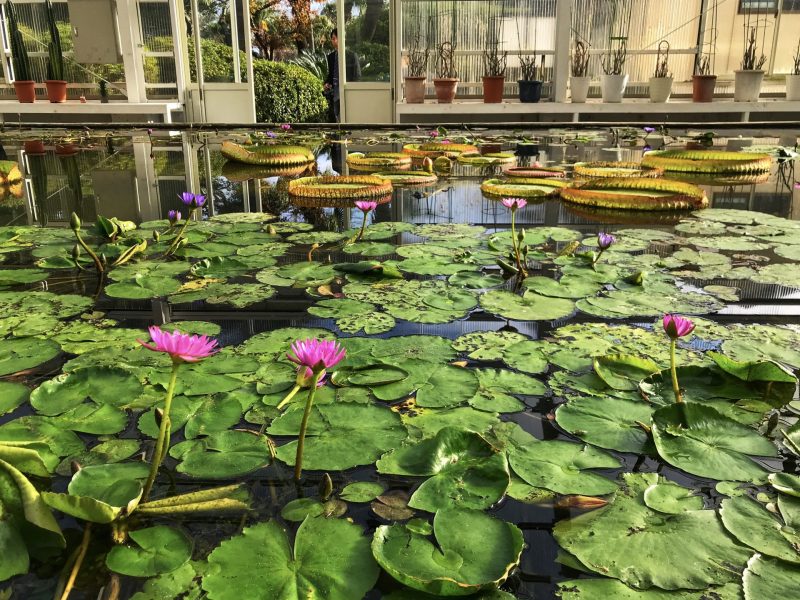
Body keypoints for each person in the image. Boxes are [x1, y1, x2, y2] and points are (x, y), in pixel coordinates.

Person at [324, 28, 361, 123]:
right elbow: (331, 74)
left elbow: (357, 76)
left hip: (348, 93)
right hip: (335, 93)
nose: (334, 40)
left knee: (349, 119)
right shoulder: (331, 57)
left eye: (335, 38)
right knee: (337, 119)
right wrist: (327, 83)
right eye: (332, 38)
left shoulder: (352, 56)